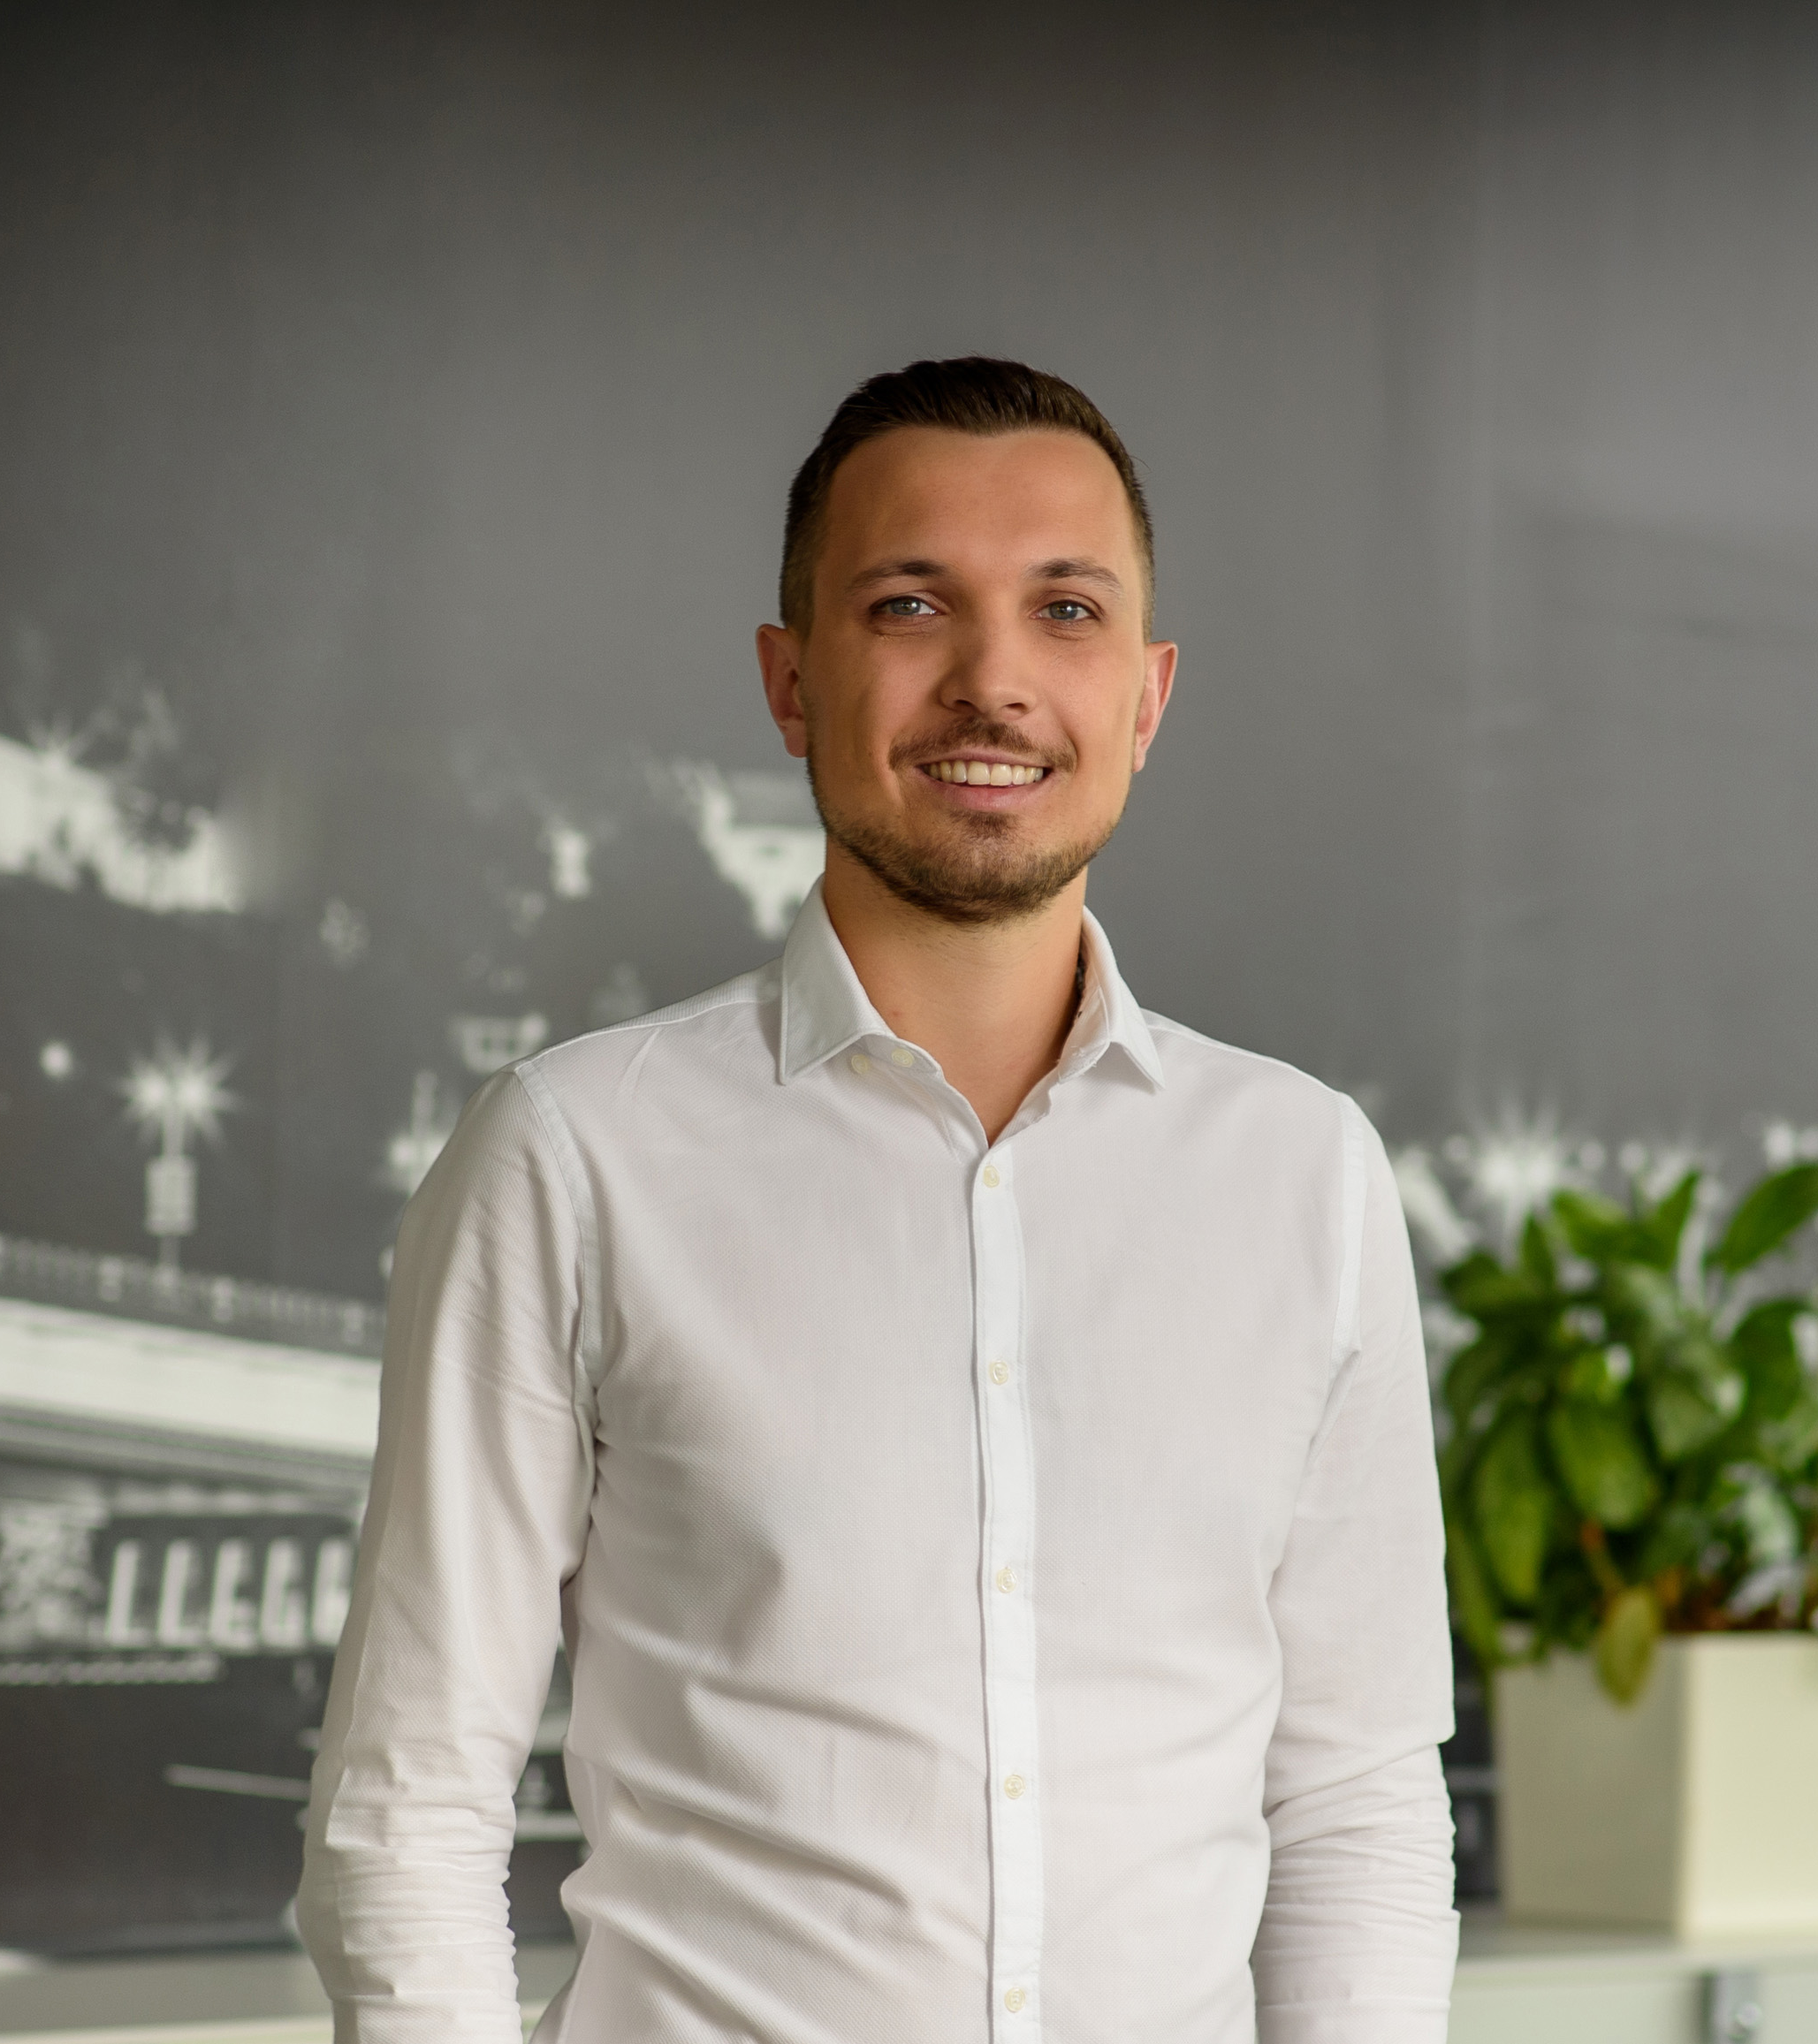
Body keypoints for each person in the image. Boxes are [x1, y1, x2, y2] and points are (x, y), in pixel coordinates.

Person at [300, 357, 1457, 2042]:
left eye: (1066, 610)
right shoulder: (571, 1154)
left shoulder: (1306, 1176)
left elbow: (1354, 1802)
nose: (993, 681)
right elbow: (408, 1804)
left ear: (1146, 695)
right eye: (910, 605)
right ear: (790, 680)